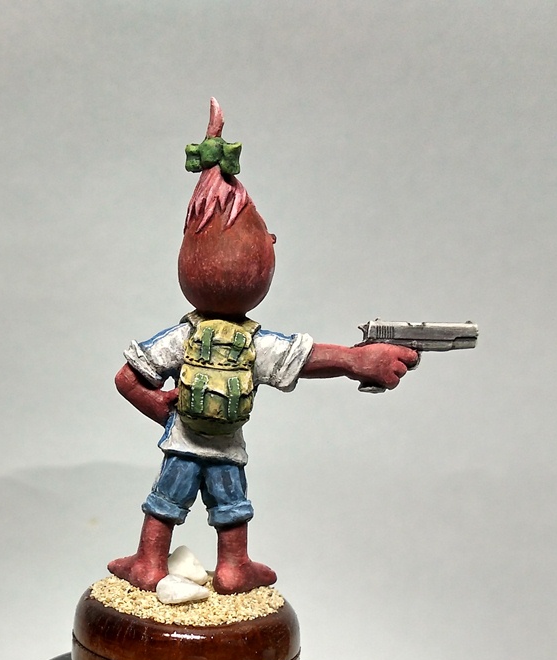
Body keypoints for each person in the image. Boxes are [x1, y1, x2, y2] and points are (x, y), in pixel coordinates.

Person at [108, 100, 418, 594]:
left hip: (182, 442)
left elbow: (126, 378)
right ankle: (234, 567)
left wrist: (160, 406)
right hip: (227, 445)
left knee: (164, 503)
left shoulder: (184, 336)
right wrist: (357, 361)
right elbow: (303, 357)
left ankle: (148, 562)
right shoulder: (254, 341)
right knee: (231, 506)